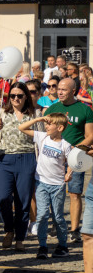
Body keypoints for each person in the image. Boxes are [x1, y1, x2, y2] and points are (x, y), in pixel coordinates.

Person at [43, 77, 93, 242]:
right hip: (55, 157)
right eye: (59, 89)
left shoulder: (85, 110)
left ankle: (74, 230)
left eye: (64, 89)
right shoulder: (53, 108)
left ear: (74, 91)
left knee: (74, 193)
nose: (60, 92)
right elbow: (47, 133)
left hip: (76, 158)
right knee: (54, 192)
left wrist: (75, 151)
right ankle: (57, 224)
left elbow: (90, 136)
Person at [19, 112, 73, 259]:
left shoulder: (65, 145)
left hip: (57, 186)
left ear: (60, 127)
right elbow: (21, 127)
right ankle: (42, 246)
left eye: (50, 124)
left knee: (58, 217)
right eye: (46, 123)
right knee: (42, 215)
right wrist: (38, 118)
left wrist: (69, 173)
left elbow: (72, 162)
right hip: (41, 183)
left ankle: (62, 245)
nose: (46, 126)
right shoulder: (42, 137)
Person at [0, 82, 37, 251]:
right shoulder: (2, 112)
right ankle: (8, 229)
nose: (16, 99)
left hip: (27, 158)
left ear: (26, 96)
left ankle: (20, 236)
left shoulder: (35, 114)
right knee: (2, 197)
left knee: (23, 200)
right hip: (4, 158)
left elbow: (40, 139)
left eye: (20, 95)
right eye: (12, 96)